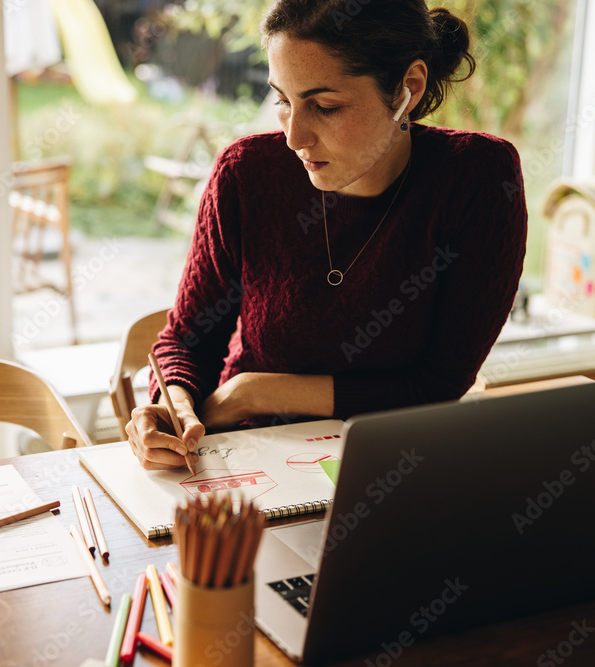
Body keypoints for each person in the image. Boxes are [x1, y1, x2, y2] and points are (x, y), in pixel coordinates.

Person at [127, 0, 527, 470]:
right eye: (282, 100)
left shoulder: (476, 179)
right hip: (247, 459)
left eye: (324, 106)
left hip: (389, 461)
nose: (294, 136)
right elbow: (188, 341)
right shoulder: (247, 174)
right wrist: (174, 404)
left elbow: (437, 384)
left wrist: (253, 392)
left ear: (407, 89)